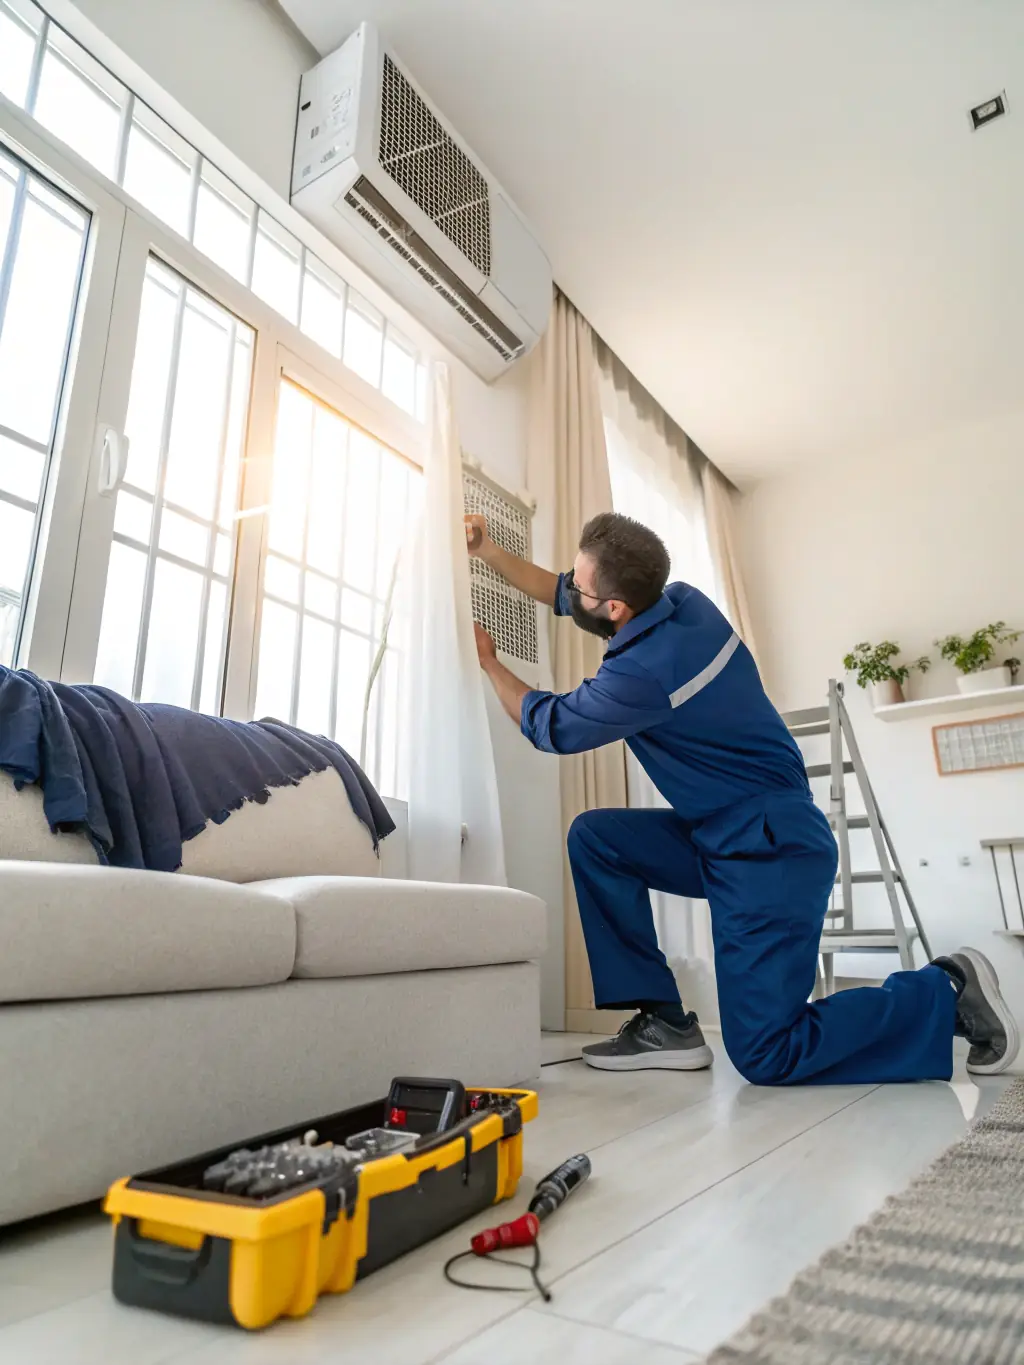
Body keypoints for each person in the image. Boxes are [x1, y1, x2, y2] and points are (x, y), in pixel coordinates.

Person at [465, 509, 1020, 1084]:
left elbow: (550, 725)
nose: (569, 589)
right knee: (598, 839)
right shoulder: (683, 602)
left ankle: (947, 991)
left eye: (581, 585)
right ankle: (663, 1022)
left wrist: (489, 663)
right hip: (721, 833)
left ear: (615, 609)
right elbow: (563, 594)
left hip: (769, 850)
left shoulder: (643, 673)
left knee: (767, 1053)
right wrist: (487, 551)